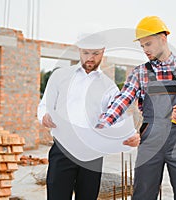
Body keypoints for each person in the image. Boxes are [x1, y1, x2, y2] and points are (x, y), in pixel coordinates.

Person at [97, 16, 176, 199]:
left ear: (163, 39)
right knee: (143, 194)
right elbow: (123, 99)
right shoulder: (140, 72)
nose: (145, 50)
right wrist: (102, 124)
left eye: (148, 44)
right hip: (150, 142)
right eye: (142, 46)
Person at [37, 32, 140, 200]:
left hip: (92, 154)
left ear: (103, 51)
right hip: (63, 150)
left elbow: (118, 119)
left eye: (95, 53)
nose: (90, 58)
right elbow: (43, 106)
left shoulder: (109, 86)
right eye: (86, 53)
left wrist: (130, 137)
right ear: (79, 50)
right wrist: (44, 116)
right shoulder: (60, 76)